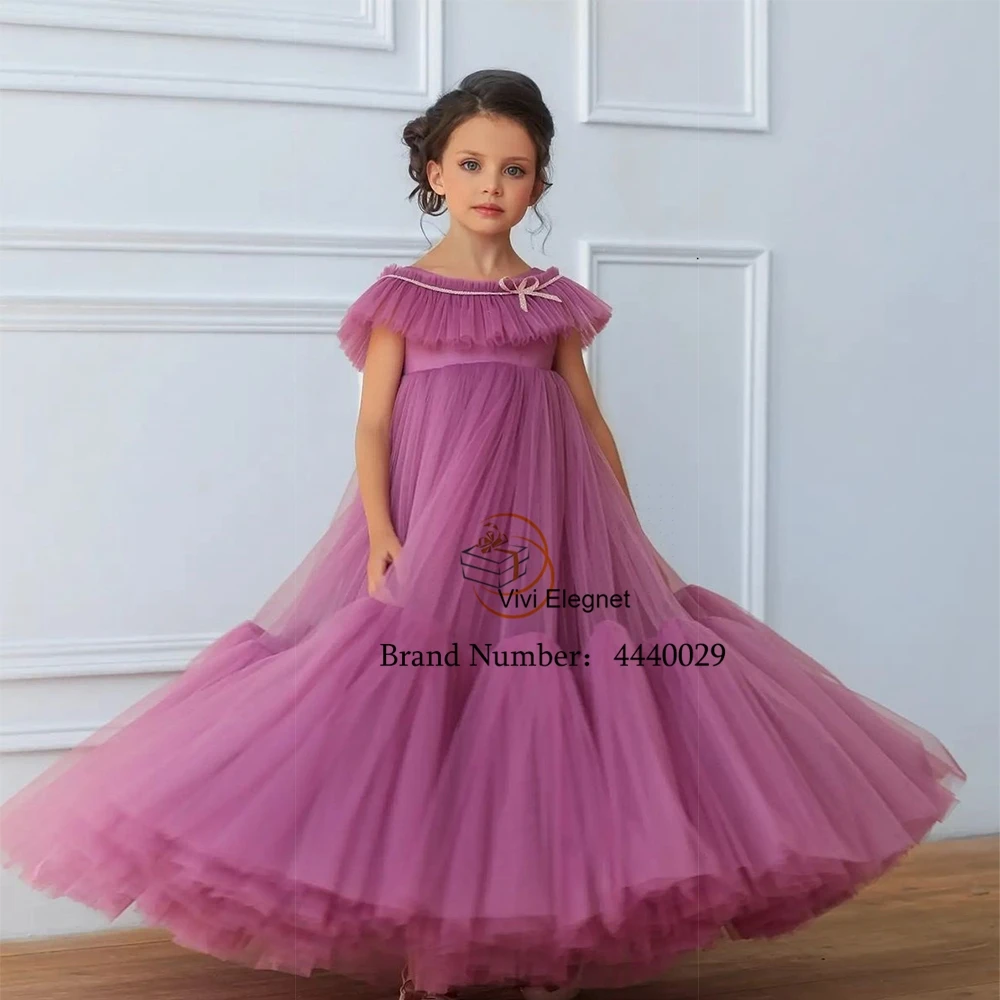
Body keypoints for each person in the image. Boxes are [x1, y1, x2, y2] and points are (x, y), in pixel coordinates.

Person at [0, 69, 965, 1000]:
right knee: (432, 710)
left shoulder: (549, 300)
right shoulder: (402, 294)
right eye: (470, 164)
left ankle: (546, 939)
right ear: (434, 173)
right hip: (435, 526)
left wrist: (624, 528)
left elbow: (587, 419)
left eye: (513, 168)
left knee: (552, 721)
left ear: (538, 182)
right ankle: (436, 949)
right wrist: (384, 531)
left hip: (555, 527)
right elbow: (374, 424)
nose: (490, 185)